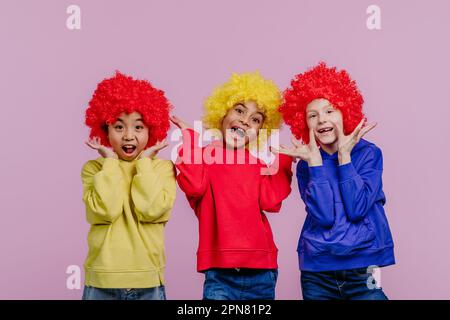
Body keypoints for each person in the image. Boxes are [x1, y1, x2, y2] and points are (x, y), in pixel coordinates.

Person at [276, 62, 395, 300]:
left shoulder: (369, 153)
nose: (321, 120)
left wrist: (344, 157)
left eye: (330, 111)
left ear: (345, 112)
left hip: (363, 269)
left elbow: (357, 208)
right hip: (317, 271)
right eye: (313, 115)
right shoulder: (307, 164)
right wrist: (315, 166)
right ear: (304, 123)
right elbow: (324, 216)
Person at [171, 72, 293, 300]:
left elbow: (270, 201)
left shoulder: (257, 164)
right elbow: (195, 186)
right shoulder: (203, 156)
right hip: (220, 271)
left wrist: (284, 160)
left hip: (262, 269)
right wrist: (189, 139)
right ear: (222, 113)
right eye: (239, 110)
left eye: (256, 119)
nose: (246, 120)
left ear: (260, 131)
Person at [81, 71, 176, 300]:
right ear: (105, 130)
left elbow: (151, 210)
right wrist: (111, 163)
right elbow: (105, 210)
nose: (128, 136)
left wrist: (144, 164)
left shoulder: (162, 169)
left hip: (148, 280)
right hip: (102, 281)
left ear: (151, 129)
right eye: (119, 126)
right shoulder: (95, 169)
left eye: (138, 127)